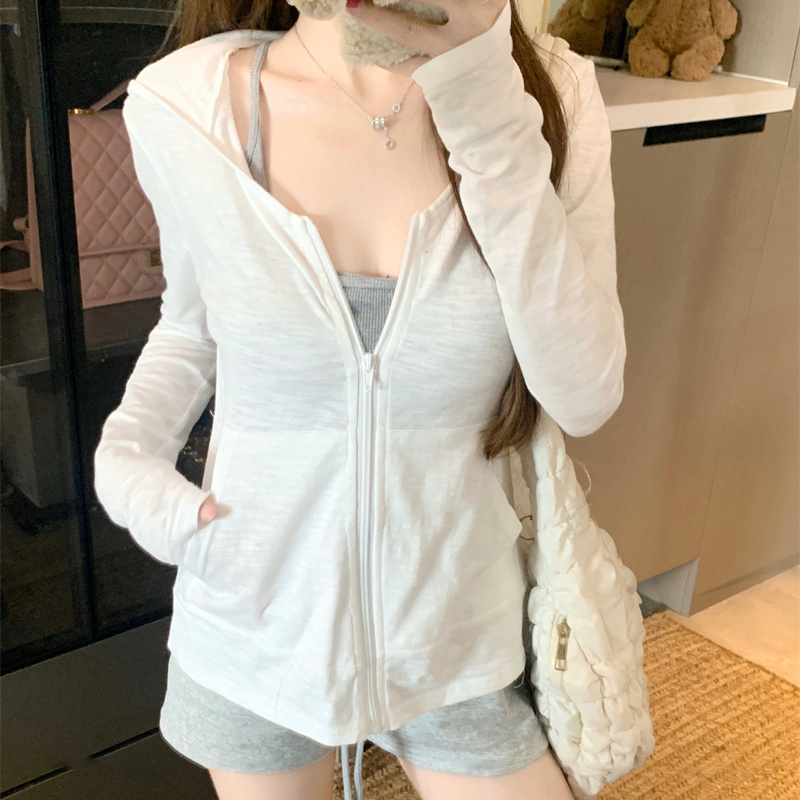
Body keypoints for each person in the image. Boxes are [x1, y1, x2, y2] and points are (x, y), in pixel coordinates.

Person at [93, 0, 625, 798]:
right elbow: (191, 325)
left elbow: (584, 395)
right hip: (255, 625)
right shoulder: (184, 104)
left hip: (456, 631)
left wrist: (482, 96)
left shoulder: (553, 95)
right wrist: (128, 450)